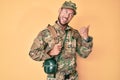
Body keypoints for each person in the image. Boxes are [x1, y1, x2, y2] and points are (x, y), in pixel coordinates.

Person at [29, 1, 93, 80]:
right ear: (60, 10)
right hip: (55, 78)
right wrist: (50, 53)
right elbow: (32, 53)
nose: (66, 16)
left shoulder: (74, 33)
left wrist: (86, 39)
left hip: (73, 77)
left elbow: (84, 54)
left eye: (71, 14)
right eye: (65, 11)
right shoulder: (46, 33)